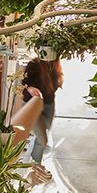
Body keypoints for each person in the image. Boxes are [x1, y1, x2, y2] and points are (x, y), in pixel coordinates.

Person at [19, 55, 64, 184]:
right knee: (42, 140)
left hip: (49, 105)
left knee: (43, 136)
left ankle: (36, 163)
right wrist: (29, 87)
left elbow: (55, 85)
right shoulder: (34, 64)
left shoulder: (55, 66)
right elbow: (23, 81)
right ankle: (35, 167)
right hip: (32, 106)